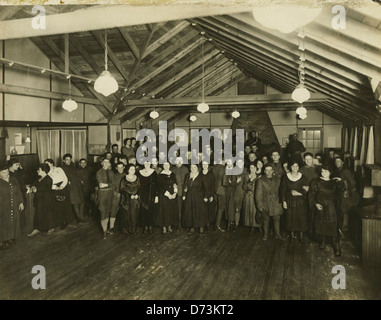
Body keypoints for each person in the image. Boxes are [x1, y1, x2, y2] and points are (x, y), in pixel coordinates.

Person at [309, 165, 343, 256]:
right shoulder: (315, 181)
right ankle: (322, 241)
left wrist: (341, 181)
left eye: (326, 171)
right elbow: (311, 194)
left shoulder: (334, 182)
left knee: (333, 224)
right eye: (322, 171)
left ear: (330, 173)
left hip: (332, 206)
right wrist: (315, 203)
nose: (324, 173)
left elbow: (342, 191)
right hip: (320, 205)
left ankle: (336, 244)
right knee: (321, 223)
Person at [280, 161, 309, 243]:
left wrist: (299, 193)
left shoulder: (303, 177)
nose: (295, 168)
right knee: (290, 218)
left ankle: (301, 235)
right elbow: (282, 190)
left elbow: (307, 190)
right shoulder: (285, 177)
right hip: (289, 200)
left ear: (299, 167)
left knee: (301, 218)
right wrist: (283, 201)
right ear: (290, 167)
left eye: (296, 166)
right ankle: (292, 235)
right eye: (293, 166)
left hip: (301, 201)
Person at [255, 164, 286, 241]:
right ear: (264, 171)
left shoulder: (278, 179)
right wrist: (260, 206)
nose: (268, 172)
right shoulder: (260, 180)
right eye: (267, 170)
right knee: (266, 220)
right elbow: (258, 195)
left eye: (270, 170)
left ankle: (277, 234)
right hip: (266, 203)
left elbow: (281, 191)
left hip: (276, 203)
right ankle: (265, 234)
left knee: (277, 219)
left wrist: (281, 202)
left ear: (273, 171)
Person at [0, 164, 24, 249]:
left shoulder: (13, 179)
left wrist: (21, 202)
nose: (6, 174)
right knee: (3, 222)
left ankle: (10, 238)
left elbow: (19, 192)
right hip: (3, 205)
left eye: (7, 172)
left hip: (14, 203)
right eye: (3, 173)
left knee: (13, 220)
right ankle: (3, 240)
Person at [28, 164, 56, 236]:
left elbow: (47, 189)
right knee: (38, 214)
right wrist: (33, 186)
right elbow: (34, 184)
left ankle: (51, 228)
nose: (37, 171)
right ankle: (37, 229)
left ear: (44, 171)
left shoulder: (49, 179)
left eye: (39, 170)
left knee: (47, 213)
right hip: (39, 199)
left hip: (46, 200)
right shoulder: (38, 178)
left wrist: (37, 189)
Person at [44, 158, 73, 229]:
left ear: (51, 164)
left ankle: (65, 221)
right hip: (54, 190)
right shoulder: (47, 172)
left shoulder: (59, 169)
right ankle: (58, 222)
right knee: (57, 207)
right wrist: (54, 187)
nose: (45, 165)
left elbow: (65, 178)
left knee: (64, 206)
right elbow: (48, 183)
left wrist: (61, 186)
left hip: (62, 189)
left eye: (47, 164)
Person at [333, 156, 359, 233]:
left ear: (342, 162)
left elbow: (353, 183)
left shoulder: (346, 171)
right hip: (339, 193)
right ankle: (341, 228)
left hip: (345, 194)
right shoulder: (337, 170)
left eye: (339, 161)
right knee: (340, 210)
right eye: (336, 161)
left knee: (344, 211)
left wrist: (342, 180)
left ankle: (344, 229)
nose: (337, 163)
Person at [182, 164, 208, 234]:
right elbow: (185, 186)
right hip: (189, 196)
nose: (193, 168)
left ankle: (201, 226)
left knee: (199, 211)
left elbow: (206, 187)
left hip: (199, 196)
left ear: (198, 168)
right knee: (190, 211)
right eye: (191, 167)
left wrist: (206, 196)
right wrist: (184, 195)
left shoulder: (202, 176)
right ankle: (192, 226)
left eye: (194, 167)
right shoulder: (187, 175)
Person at [156, 162, 178, 234]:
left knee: (171, 210)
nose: (166, 166)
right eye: (164, 165)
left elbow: (175, 184)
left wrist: (175, 193)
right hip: (164, 195)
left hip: (172, 195)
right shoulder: (160, 175)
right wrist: (168, 195)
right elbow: (159, 187)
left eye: (167, 165)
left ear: (170, 166)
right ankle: (164, 227)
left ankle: (169, 226)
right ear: (162, 166)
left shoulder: (172, 174)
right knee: (164, 211)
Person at [62, 153, 85, 224]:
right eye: (67, 160)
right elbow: (63, 178)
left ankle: (81, 217)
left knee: (82, 202)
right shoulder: (62, 169)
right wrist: (68, 182)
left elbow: (77, 175)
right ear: (64, 160)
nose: (68, 161)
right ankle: (79, 219)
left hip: (78, 186)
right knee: (75, 203)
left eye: (70, 159)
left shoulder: (73, 167)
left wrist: (80, 180)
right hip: (71, 187)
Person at [225, 158, 247, 231]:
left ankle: (236, 224)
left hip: (241, 193)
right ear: (236, 164)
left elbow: (246, 184)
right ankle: (231, 223)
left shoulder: (246, 171)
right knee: (231, 208)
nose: (240, 164)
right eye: (238, 163)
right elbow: (231, 183)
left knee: (238, 209)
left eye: (241, 162)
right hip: (233, 193)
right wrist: (236, 182)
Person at [96, 158, 115, 238]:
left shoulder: (111, 172)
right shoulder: (99, 172)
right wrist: (109, 185)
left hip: (110, 193)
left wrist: (106, 185)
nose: (106, 163)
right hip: (102, 194)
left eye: (108, 162)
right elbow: (100, 185)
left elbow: (114, 184)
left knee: (108, 211)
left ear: (110, 163)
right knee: (102, 211)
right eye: (105, 162)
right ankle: (104, 231)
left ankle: (106, 229)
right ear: (102, 163)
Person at [138, 161, 158, 234]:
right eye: (145, 163)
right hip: (142, 194)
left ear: (150, 164)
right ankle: (145, 227)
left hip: (151, 194)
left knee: (151, 210)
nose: (147, 165)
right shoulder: (139, 172)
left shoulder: (154, 173)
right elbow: (137, 184)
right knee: (143, 210)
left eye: (148, 163)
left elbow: (156, 185)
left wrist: (156, 196)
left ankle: (150, 226)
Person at [120, 164, 140, 235]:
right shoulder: (124, 178)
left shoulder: (137, 178)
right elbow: (122, 189)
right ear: (128, 170)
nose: (133, 171)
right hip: (127, 199)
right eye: (131, 169)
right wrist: (129, 195)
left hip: (135, 198)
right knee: (127, 214)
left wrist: (137, 194)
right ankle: (127, 229)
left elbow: (139, 187)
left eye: (134, 169)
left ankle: (134, 229)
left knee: (134, 214)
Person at [171, 157, 189, 230]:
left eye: (180, 161)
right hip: (174, 192)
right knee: (176, 208)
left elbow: (187, 181)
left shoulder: (185, 169)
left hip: (183, 191)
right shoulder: (172, 169)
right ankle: (177, 224)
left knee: (183, 208)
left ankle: (183, 223)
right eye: (177, 161)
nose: (179, 162)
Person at [242, 164, 260, 233]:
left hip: (255, 196)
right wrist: (250, 180)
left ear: (256, 168)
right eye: (251, 168)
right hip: (248, 196)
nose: (252, 169)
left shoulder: (259, 177)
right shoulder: (247, 176)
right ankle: (251, 225)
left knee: (255, 211)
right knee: (249, 210)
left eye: (254, 168)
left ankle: (257, 225)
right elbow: (244, 187)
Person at [212, 159, 226, 232]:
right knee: (221, 207)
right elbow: (225, 182)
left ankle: (214, 222)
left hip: (214, 189)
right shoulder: (224, 168)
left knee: (216, 206)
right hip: (222, 190)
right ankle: (217, 224)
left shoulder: (213, 168)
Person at [200, 162, 215, 230]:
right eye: (203, 164)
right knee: (202, 210)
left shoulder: (211, 174)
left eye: (206, 164)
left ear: (208, 165)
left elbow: (212, 186)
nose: (205, 166)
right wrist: (203, 196)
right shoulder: (200, 174)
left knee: (209, 209)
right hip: (201, 194)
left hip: (209, 194)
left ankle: (208, 224)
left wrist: (211, 195)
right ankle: (202, 224)